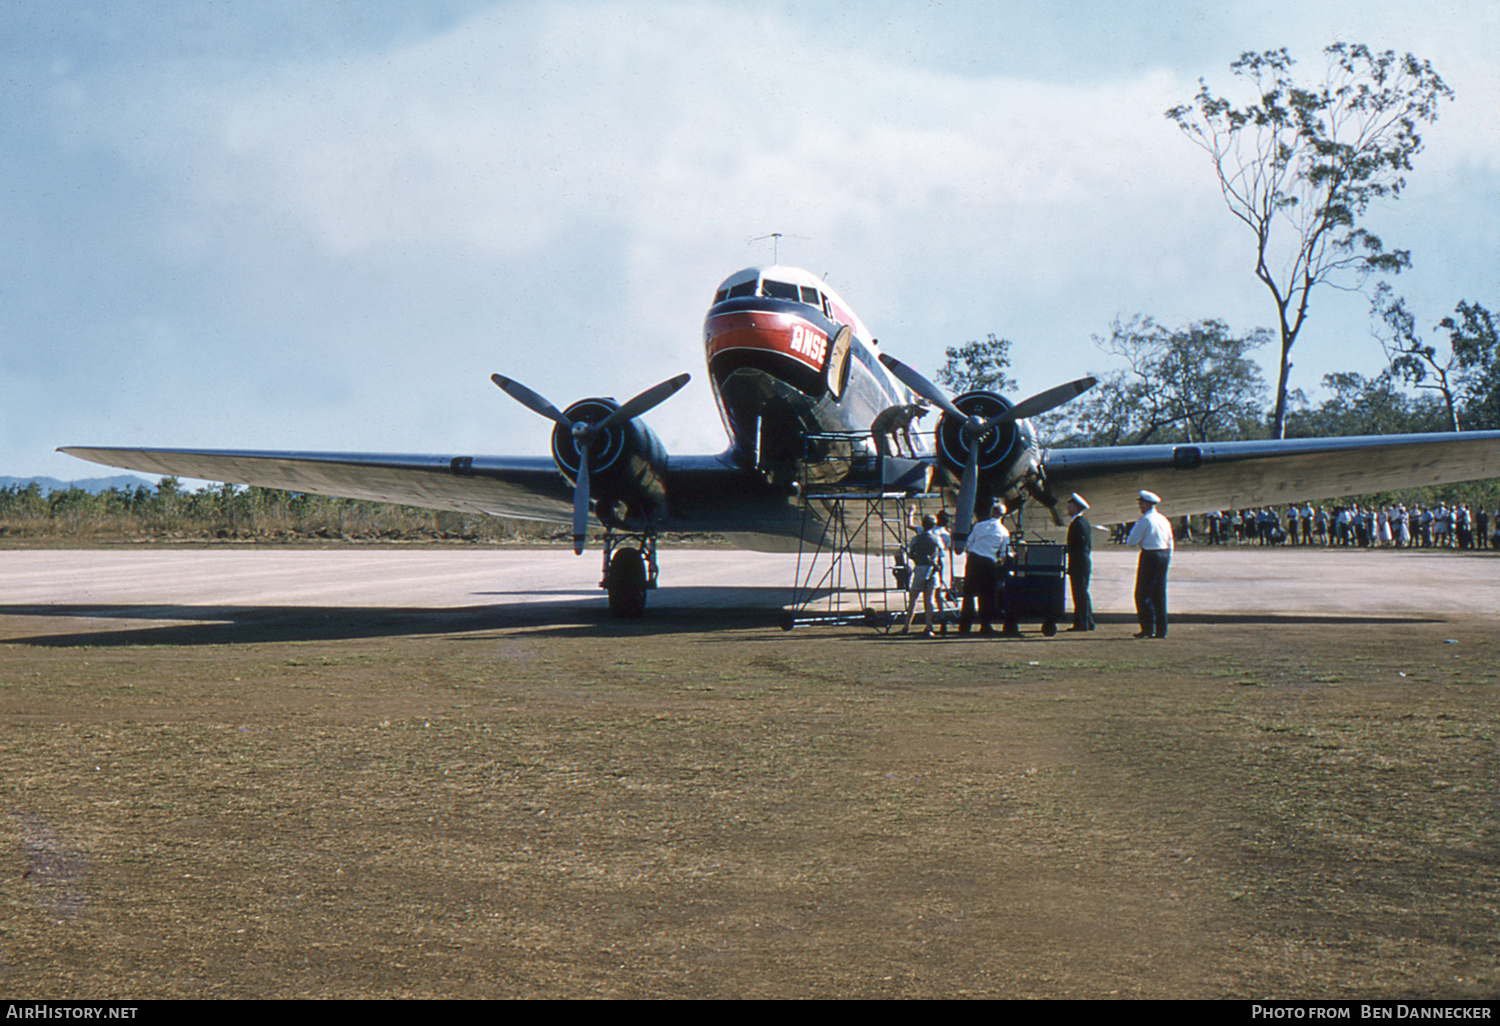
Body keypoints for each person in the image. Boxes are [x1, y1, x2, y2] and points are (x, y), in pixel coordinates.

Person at [1125, 489, 1173, 639]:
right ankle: (1161, 630)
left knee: (1142, 594)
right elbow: (1170, 541)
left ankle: (1147, 628)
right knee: (1159, 593)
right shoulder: (1163, 519)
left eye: (1141, 503)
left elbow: (1131, 542)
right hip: (1164, 554)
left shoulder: (1145, 520)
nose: (1140, 506)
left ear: (1146, 504)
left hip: (1150, 555)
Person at [958, 502, 1010, 635]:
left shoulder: (979, 526)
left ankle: (965, 626)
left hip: (974, 560)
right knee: (986, 596)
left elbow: (968, 543)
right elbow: (1003, 552)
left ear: (992, 512)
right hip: (989, 562)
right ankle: (985, 625)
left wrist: (971, 554)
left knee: (969, 594)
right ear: (1002, 515)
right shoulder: (1004, 532)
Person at [900, 514, 943, 636]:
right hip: (932, 569)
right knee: (929, 599)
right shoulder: (936, 538)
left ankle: (907, 626)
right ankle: (929, 627)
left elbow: (911, 554)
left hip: (919, 568)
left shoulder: (916, 539)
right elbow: (940, 552)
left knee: (913, 599)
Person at [1064, 493, 1095, 632]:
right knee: (1083, 593)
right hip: (1082, 561)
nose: (1068, 508)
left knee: (1079, 594)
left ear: (1076, 507)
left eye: (1070, 505)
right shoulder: (1083, 522)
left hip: (1079, 562)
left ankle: (1081, 623)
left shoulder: (1078, 524)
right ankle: (1088, 621)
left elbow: (1079, 544)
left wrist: (1068, 549)